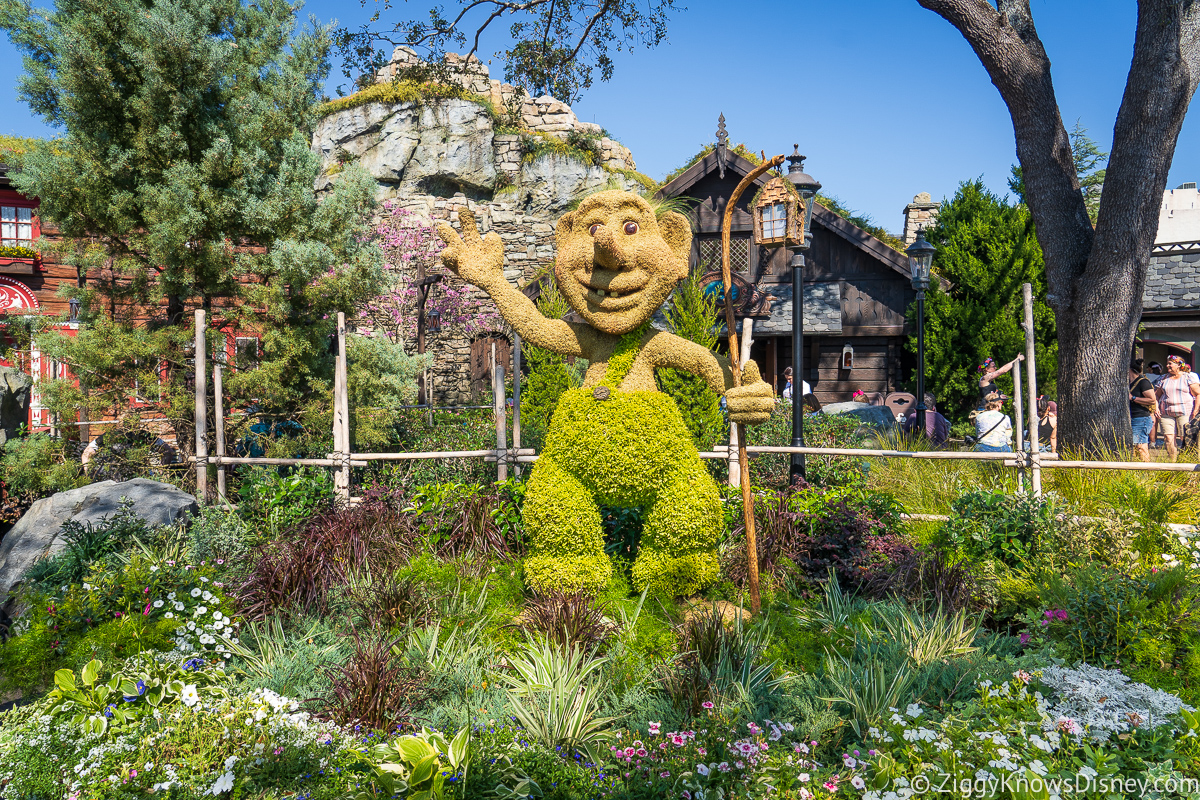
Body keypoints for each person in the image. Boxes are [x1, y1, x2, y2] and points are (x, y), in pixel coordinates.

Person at [1156, 354, 1200, 461]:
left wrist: (1196, 410)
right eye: (1167, 364)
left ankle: (1186, 460)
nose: (1167, 366)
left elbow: (1198, 394)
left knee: (1185, 437)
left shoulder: (1188, 377)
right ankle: (1173, 462)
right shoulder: (1163, 378)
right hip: (1166, 412)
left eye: (1170, 364)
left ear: (1179, 365)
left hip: (1185, 412)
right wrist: (1155, 407)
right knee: (1168, 437)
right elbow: (1156, 395)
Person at [1128, 358, 1159, 462]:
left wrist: (1133, 398)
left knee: (1141, 447)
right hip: (1131, 418)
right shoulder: (1129, 383)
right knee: (1135, 448)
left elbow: (1152, 400)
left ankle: (1147, 470)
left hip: (1141, 418)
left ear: (1129, 370)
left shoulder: (1143, 382)